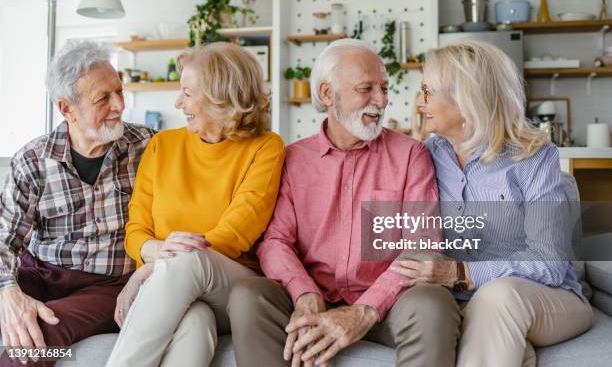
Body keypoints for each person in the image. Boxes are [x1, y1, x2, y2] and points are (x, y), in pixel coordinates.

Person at [228, 39, 461, 367]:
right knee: (248, 296)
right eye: (366, 89)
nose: (380, 101)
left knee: (433, 303)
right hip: (313, 298)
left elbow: (421, 248)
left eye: (384, 88)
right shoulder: (293, 159)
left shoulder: (411, 156)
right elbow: (276, 241)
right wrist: (304, 293)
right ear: (327, 94)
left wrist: (366, 310)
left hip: (387, 304)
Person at [392, 39, 593, 367]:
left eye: (428, 92)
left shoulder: (533, 157)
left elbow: (550, 263)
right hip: (463, 303)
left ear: (464, 99)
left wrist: (462, 272)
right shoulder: (425, 157)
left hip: (546, 299)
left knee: (496, 297)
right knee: (484, 320)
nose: (419, 102)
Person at [105, 42, 285, 367]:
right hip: (176, 288)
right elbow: (136, 230)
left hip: (230, 286)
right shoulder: (163, 145)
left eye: (188, 93)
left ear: (221, 98)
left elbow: (234, 235)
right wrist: (152, 252)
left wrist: (147, 271)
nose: (178, 102)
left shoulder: (266, 147)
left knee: (188, 261)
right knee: (194, 322)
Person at [0, 41, 155, 366]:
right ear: (66, 108)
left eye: (119, 92)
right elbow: (5, 241)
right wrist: (9, 292)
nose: (119, 105)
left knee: (39, 331)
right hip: (40, 272)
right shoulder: (32, 161)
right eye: (103, 98)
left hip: (107, 284)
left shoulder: (148, 147)